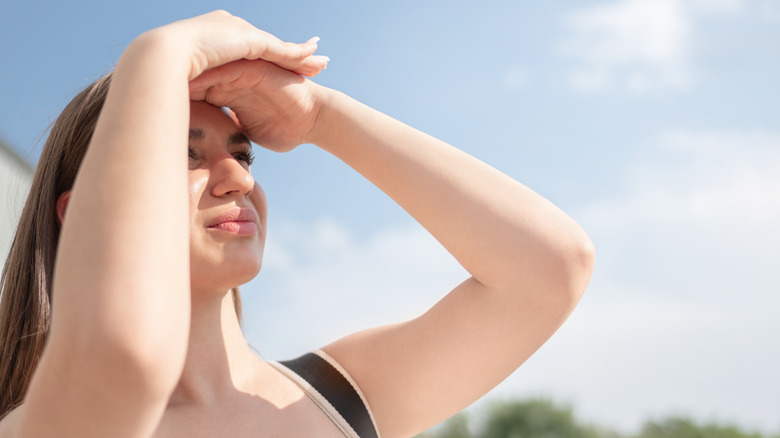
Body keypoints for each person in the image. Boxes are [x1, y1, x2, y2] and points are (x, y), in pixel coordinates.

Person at [0, 10, 594, 438]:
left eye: (245, 154)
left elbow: (550, 268)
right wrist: (157, 56)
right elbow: (120, 362)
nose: (238, 178)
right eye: (185, 153)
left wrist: (320, 117)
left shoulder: (342, 396)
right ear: (79, 215)